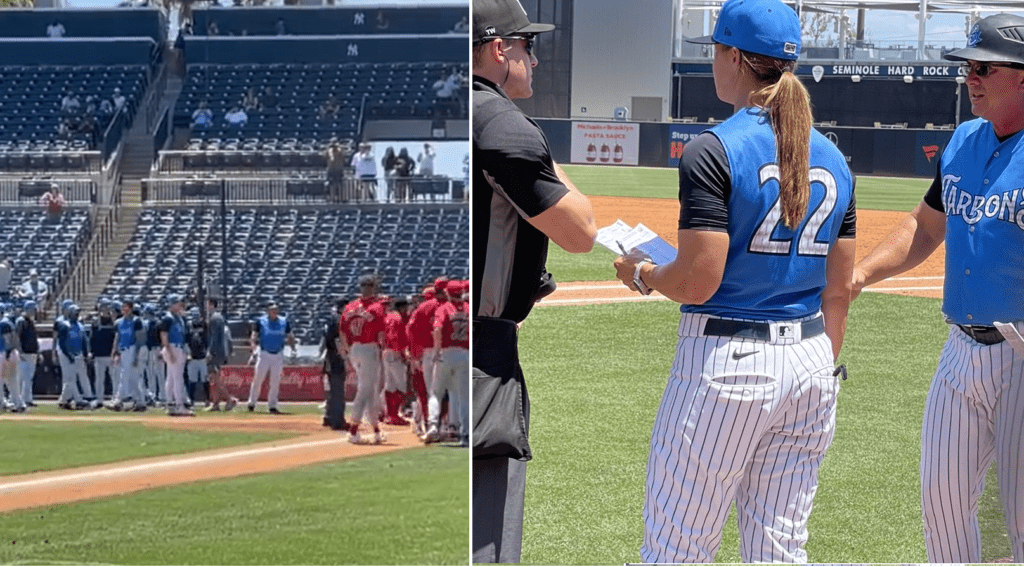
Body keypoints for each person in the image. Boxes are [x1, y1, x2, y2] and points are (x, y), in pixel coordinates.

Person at [611, 0, 856, 561]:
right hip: (814, 363)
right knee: (779, 549)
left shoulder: (714, 148)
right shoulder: (835, 159)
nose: (712, 63)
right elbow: (838, 289)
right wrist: (815, 364)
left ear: (739, 58)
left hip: (729, 363)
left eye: (716, 51)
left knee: (679, 547)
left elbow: (698, 280)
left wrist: (643, 273)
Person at [851, 14, 1024, 563]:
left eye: (981, 68)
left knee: (1018, 515)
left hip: (1022, 352)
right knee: (942, 501)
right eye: (966, 68)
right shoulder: (964, 140)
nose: (968, 78)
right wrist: (859, 274)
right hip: (960, 349)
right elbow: (926, 228)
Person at [471, 0, 597, 561]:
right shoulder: (499, 123)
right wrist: (539, 146)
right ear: (499, 50)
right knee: (484, 535)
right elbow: (580, 231)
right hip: (478, 356)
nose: (534, 60)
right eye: (527, 46)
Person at [340, 275, 387, 444]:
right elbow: (382, 334)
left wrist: (349, 350)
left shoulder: (350, 307)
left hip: (355, 349)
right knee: (366, 390)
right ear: (373, 287)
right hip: (369, 348)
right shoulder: (376, 307)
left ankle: (375, 429)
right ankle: (353, 430)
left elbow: (343, 333)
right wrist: (382, 349)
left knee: (370, 390)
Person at [428, 280, 469, 446]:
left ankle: (432, 426)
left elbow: (437, 328)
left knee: (436, 392)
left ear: (447, 293)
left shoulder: (444, 308)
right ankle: (465, 435)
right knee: (464, 396)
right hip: (465, 354)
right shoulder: (468, 308)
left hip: (447, 352)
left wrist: (437, 350)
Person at [247, 302, 296, 414]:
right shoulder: (261, 321)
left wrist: (290, 343)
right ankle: (252, 403)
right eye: (272, 310)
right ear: (268, 311)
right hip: (264, 353)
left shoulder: (284, 321)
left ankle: (272, 405)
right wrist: (253, 346)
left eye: (276, 310)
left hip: (277, 354)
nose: (274, 312)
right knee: (258, 379)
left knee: (275, 381)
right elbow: (254, 334)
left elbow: (290, 334)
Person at [56, 304, 95, 410]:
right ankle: (78, 400)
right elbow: (62, 343)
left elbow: (84, 341)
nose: (77, 314)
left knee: (76, 378)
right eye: (75, 312)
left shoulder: (80, 325)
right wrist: (68, 356)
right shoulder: (64, 325)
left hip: (78, 354)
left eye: (78, 312)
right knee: (70, 379)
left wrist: (86, 353)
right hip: (67, 355)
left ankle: (63, 400)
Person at [111, 298, 147, 412]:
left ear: (131, 309)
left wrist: (137, 355)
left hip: (133, 348)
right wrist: (114, 350)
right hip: (123, 349)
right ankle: (140, 401)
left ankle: (118, 400)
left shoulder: (136, 321)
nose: (124, 309)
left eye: (127, 307)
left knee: (125, 375)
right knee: (132, 377)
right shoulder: (118, 322)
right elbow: (117, 337)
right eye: (123, 307)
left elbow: (140, 338)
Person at [159, 295, 192, 417]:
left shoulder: (179, 318)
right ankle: (179, 405)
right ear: (172, 304)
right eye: (178, 303)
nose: (181, 306)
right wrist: (169, 351)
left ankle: (170, 404)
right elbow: (164, 335)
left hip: (178, 347)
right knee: (177, 378)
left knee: (172, 378)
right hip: (172, 347)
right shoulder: (168, 318)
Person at [382, 295, 411, 427]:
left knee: (390, 386)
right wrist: (402, 355)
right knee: (400, 386)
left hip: (386, 352)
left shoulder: (388, 316)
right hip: (395, 353)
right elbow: (395, 337)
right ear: (403, 306)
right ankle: (393, 415)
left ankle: (390, 415)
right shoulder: (398, 318)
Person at [205, 298, 238, 411]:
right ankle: (215, 404)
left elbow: (215, 337)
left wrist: (210, 351)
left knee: (216, 378)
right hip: (219, 351)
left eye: (207, 304)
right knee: (216, 377)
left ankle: (230, 399)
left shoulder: (215, 318)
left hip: (216, 352)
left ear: (211, 304)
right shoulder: (218, 317)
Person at [320, 297, 347, 429]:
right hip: (336, 357)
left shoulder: (329, 319)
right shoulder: (339, 320)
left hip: (329, 357)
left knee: (332, 390)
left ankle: (329, 417)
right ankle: (337, 421)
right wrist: (343, 354)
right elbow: (337, 340)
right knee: (338, 390)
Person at [89, 300, 118, 408]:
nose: (106, 310)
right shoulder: (96, 323)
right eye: (104, 308)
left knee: (114, 378)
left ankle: (115, 398)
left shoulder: (113, 322)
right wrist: (91, 351)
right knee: (99, 379)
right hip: (99, 354)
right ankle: (99, 399)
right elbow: (92, 339)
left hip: (110, 354)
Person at [15, 300, 39, 409]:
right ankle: (21, 400)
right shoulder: (21, 321)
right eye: (33, 309)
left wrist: (37, 351)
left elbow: (34, 338)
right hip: (24, 353)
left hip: (32, 353)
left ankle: (28, 399)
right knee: (23, 378)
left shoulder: (31, 321)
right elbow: (17, 338)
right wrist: (19, 352)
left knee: (29, 378)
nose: (34, 312)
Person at [185, 308, 209, 405]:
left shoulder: (204, 325)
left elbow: (207, 339)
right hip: (192, 357)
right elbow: (186, 341)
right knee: (192, 380)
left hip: (203, 356)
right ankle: (191, 400)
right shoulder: (188, 326)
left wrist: (208, 352)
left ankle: (207, 400)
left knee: (205, 380)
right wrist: (188, 353)